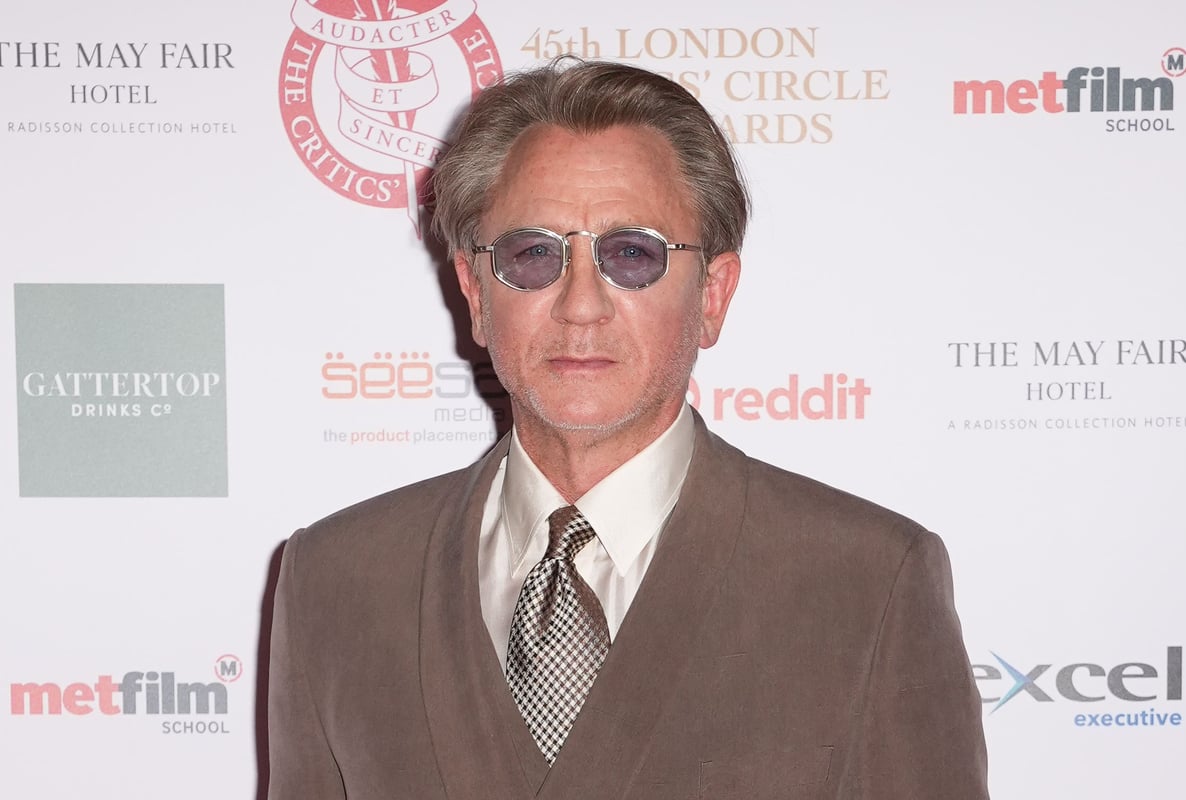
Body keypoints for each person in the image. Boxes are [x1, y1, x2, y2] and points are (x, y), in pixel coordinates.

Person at [267, 58, 989, 799]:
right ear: (477, 294)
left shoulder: (868, 583)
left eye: (632, 255)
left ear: (712, 296)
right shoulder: (337, 581)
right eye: (533, 255)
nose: (581, 304)